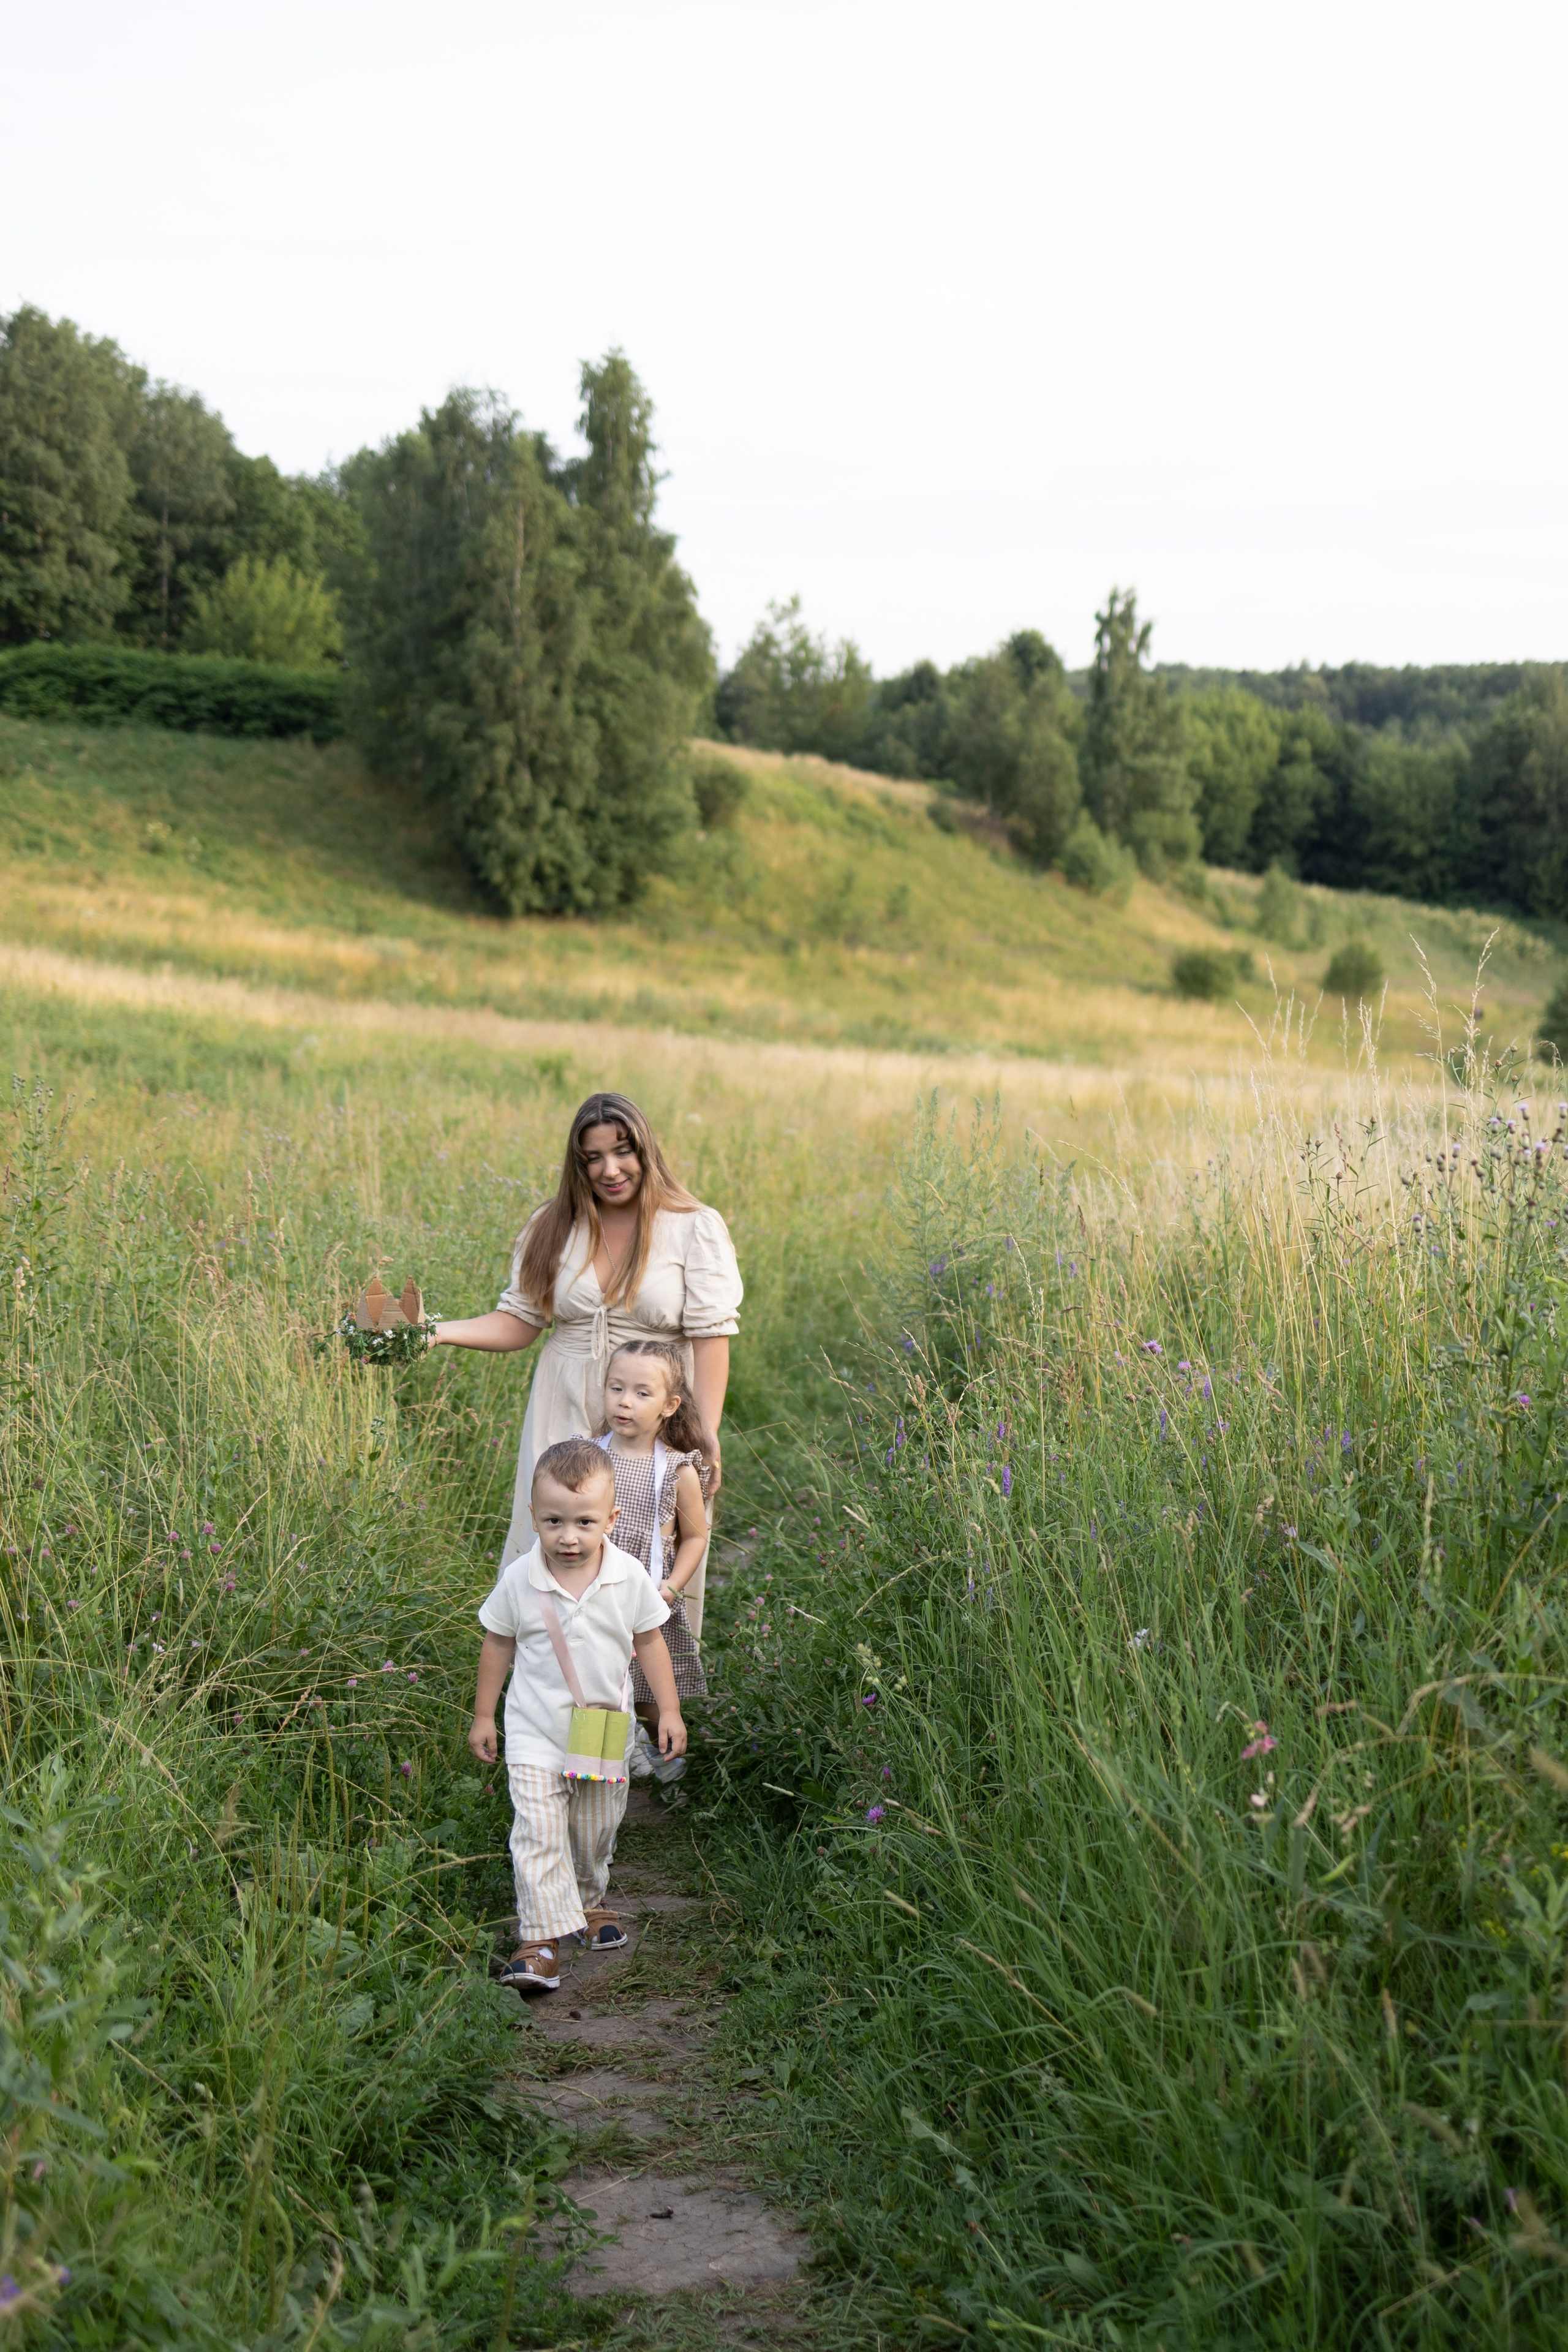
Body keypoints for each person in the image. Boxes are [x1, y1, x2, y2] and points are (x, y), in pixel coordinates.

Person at [429, 1091, 742, 1638]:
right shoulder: (552, 1226)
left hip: (652, 1409)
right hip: (564, 1398)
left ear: (646, 1150)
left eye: (622, 1151)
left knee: (650, 1545)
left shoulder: (693, 1225)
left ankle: (643, 1708)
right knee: (558, 1539)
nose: (610, 1169)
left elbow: (712, 1337)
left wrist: (705, 1434)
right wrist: (434, 1332)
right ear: (577, 1164)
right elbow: (520, 1321)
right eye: (592, 1157)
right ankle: (549, 1688)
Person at [469, 1436, 685, 1993]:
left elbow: (652, 1642)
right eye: (554, 1522)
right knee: (537, 1833)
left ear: (611, 1518)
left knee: (594, 1831)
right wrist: (484, 1717)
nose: (569, 1537)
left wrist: (668, 1711)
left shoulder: (629, 1576)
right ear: (534, 1517)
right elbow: (497, 1644)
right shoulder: (520, 1579)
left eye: (585, 1522)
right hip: (536, 1734)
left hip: (602, 1733)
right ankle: (539, 1942)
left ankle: (589, 1903)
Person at [595, 1338, 709, 1787]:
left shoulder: (677, 1470)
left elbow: (696, 1537)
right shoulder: (587, 1456)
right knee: (595, 1688)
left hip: (646, 1598)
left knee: (648, 1695)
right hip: (594, 1594)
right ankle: (600, 1775)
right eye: (616, 1388)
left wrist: (673, 1586)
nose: (625, 1402)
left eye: (642, 1393)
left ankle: (666, 1770)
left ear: (669, 1405)